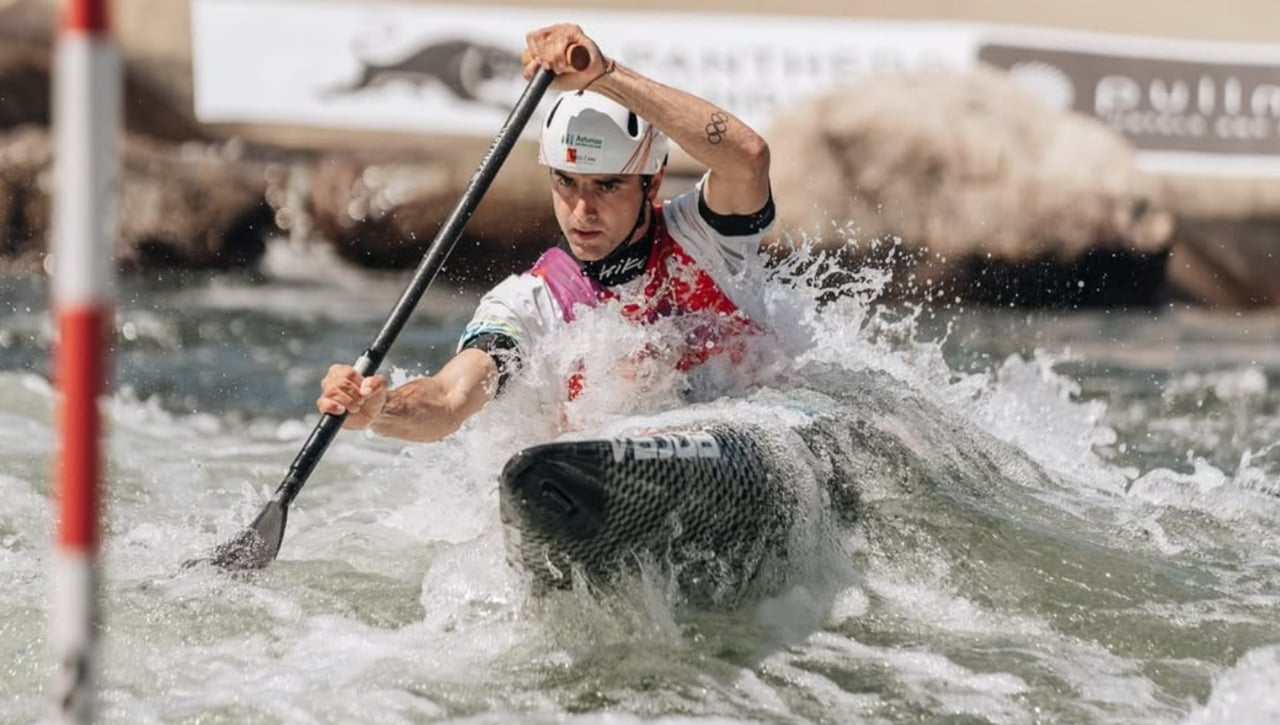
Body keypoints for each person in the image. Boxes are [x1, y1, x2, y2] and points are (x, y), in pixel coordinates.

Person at [316, 22, 775, 442]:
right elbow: (448, 401)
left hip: (746, 437)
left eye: (607, 186)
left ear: (651, 182)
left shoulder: (703, 237)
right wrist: (380, 408)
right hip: (611, 475)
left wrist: (606, 75)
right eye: (566, 182)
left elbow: (748, 157)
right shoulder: (529, 304)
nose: (582, 210)